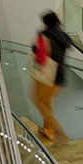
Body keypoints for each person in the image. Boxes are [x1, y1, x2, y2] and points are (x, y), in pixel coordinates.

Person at [30, 10, 71, 142]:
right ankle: (48, 131)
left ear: (45, 22)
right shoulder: (63, 36)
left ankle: (59, 131)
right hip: (59, 77)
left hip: (45, 75)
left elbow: (36, 52)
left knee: (37, 101)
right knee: (46, 102)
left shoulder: (44, 35)